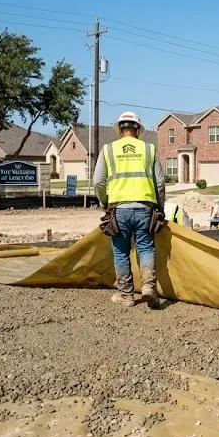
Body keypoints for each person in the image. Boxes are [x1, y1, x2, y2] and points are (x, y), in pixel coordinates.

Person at [93, 111, 165, 308]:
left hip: (119, 209)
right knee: (145, 247)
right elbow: (159, 183)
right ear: (138, 129)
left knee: (120, 251)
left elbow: (98, 181)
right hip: (145, 208)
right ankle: (149, 287)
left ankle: (126, 295)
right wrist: (160, 206)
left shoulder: (108, 150)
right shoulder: (149, 149)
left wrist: (104, 203)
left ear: (120, 130)